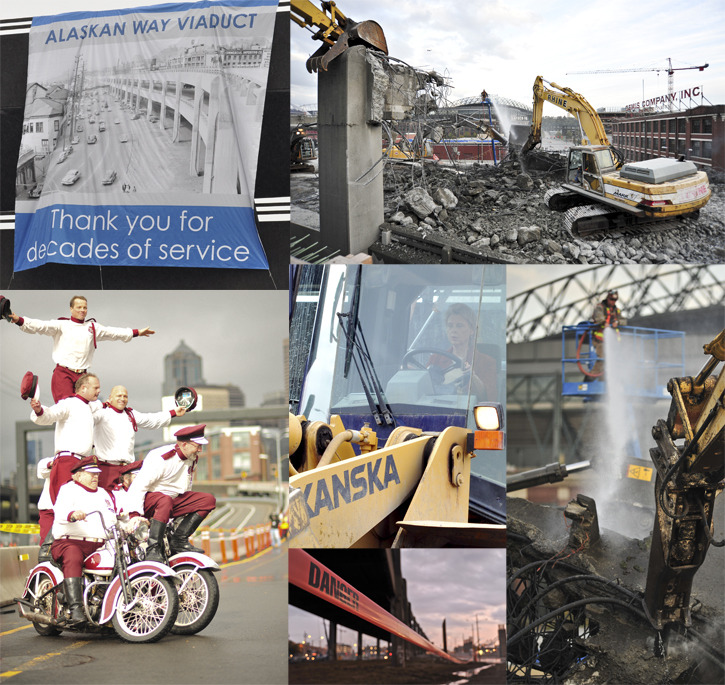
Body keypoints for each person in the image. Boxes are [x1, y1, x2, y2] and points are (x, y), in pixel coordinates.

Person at [7, 295, 155, 402]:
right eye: (79, 307)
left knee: (85, 411)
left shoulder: (92, 327)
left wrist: (137, 332)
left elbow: (114, 332)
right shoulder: (61, 325)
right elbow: (40, 326)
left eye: (85, 307)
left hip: (83, 377)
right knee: (66, 410)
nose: (82, 310)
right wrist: (19, 320)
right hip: (63, 374)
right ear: (71, 309)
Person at [30, 372, 102, 561]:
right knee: (63, 504)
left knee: (80, 506)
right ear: (83, 388)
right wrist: (39, 410)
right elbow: (50, 415)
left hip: (82, 463)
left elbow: (103, 405)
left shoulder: (90, 407)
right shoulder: (69, 403)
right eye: (96, 387)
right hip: (68, 462)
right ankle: (46, 553)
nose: (99, 391)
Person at [126, 424, 216, 563]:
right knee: (165, 500)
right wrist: (134, 516)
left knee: (208, 500)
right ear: (184, 444)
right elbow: (138, 486)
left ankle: (179, 540)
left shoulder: (192, 458)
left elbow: (186, 486)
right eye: (197, 446)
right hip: (151, 501)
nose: (200, 450)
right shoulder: (161, 457)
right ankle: (153, 548)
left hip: (172, 501)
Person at [50, 456, 117, 624]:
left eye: (97, 474)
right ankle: (76, 609)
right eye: (91, 474)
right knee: (73, 555)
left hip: (98, 545)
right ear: (77, 475)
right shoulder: (68, 489)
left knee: (120, 556)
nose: (96, 477)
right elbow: (60, 513)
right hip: (70, 542)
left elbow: (111, 518)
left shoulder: (103, 493)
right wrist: (72, 515)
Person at [93, 385, 187, 490]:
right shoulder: (102, 413)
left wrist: (173, 413)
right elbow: (85, 417)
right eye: (119, 395)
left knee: (128, 503)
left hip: (127, 469)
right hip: (107, 468)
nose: (122, 399)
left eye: (125, 396)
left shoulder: (130, 414)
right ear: (110, 398)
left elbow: (150, 420)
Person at [428, 303, 496, 401]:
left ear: (472, 330)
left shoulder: (486, 362)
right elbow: (423, 390)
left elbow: (489, 398)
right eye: (450, 326)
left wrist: (473, 378)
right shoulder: (435, 359)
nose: (453, 330)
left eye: (459, 326)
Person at [587, 290, 628, 380]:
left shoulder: (616, 310)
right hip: (599, 340)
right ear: (607, 298)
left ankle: (605, 379)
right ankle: (590, 378)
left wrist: (618, 322)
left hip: (613, 341)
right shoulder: (600, 308)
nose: (613, 302)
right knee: (603, 358)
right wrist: (604, 322)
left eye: (615, 300)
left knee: (615, 360)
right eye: (611, 299)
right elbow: (598, 317)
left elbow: (624, 321)